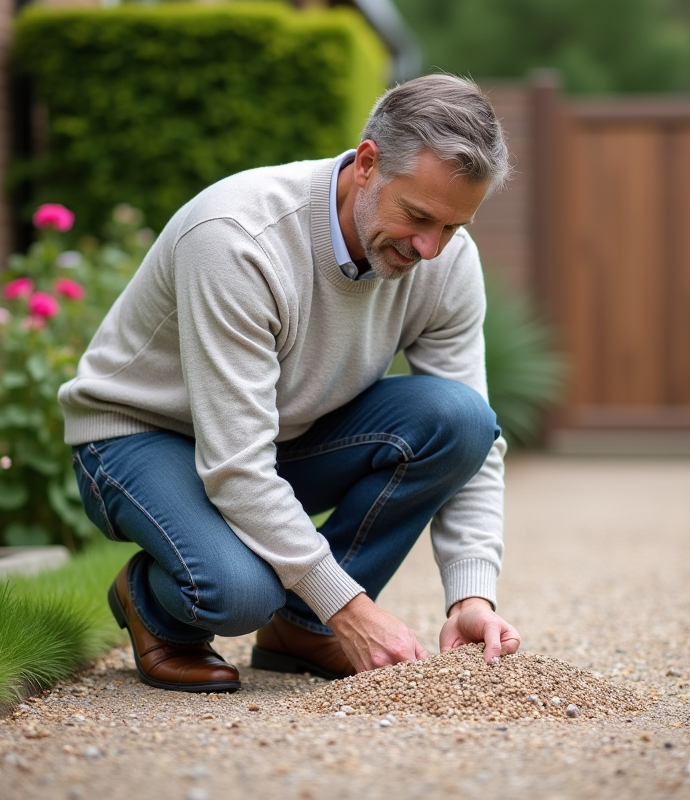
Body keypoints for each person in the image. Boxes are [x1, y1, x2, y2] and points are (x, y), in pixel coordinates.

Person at [60, 74, 520, 694]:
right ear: (366, 163)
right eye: (417, 216)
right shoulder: (237, 237)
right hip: (140, 437)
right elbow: (236, 464)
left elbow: (478, 443)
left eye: (452, 228)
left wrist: (472, 594)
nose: (430, 248)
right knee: (240, 592)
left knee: (460, 419)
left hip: (272, 437)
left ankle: (303, 627)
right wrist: (352, 610)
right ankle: (152, 601)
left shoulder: (445, 262)